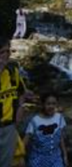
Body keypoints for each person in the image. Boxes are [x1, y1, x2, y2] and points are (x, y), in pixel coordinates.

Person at [0, 37, 29, 167]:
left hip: (9, 127)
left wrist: (21, 108)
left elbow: (21, 91)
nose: (6, 56)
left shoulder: (12, 72)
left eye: (8, 51)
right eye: (2, 52)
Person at [24, 93, 68, 167]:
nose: (51, 106)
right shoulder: (35, 121)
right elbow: (25, 140)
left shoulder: (59, 118)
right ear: (43, 104)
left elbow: (61, 138)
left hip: (55, 158)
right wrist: (19, 157)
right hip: (38, 159)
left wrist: (65, 156)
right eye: (48, 104)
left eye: (54, 104)